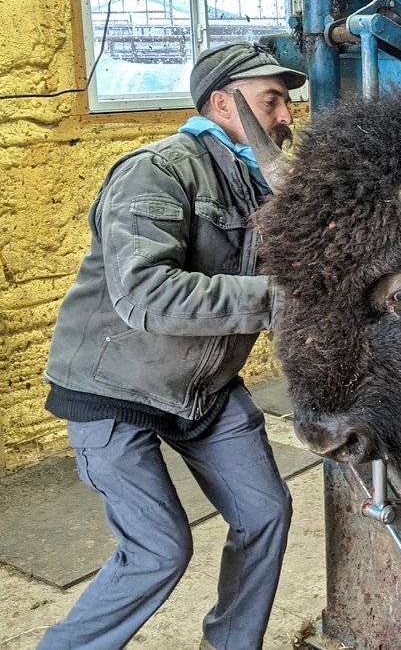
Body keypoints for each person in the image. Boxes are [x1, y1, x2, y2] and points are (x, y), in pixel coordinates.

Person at [39, 42, 307, 650]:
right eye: (272, 101)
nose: (287, 116)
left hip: (202, 390)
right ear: (222, 103)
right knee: (159, 548)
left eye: (287, 103)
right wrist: (279, 298)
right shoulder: (156, 171)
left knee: (265, 512)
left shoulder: (270, 187)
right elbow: (146, 296)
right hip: (112, 389)